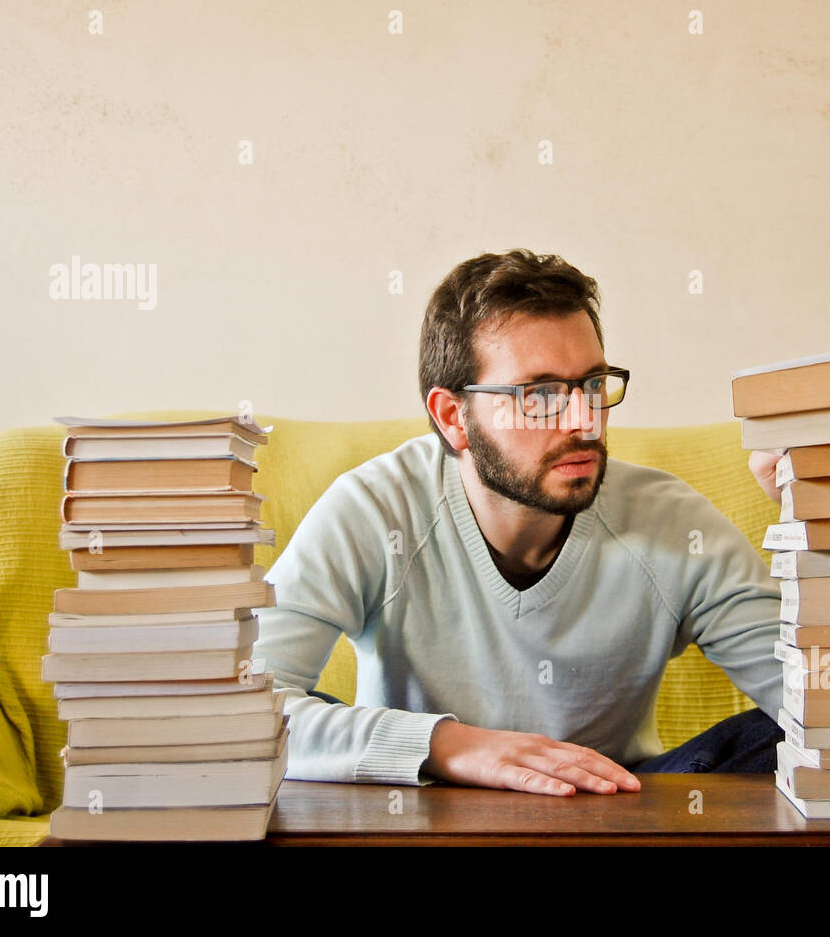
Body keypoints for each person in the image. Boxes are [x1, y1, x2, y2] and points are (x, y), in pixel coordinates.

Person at [252, 248, 788, 797]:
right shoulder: (374, 509)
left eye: (593, 384)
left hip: (611, 816)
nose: (583, 422)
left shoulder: (671, 522)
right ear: (453, 418)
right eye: (540, 396)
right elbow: (243, 713)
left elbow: (827, 707)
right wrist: (454, 747)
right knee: (283, 732)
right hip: (422, 813)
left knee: (774, 739)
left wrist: (814, 529)